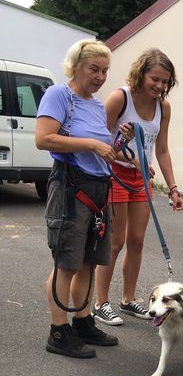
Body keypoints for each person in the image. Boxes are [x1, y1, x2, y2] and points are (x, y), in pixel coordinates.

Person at [36, 39, 121, 358]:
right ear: (76, 66)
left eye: (104, 71)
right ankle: (59, 332)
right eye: (94, 69)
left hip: (98, 188)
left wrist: (115, 141)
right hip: (71, 187)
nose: (100, 76)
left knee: (88, 260)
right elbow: (44, 139)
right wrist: (92, 145)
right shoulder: (60, 95)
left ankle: (83, 321)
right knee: (66, 262)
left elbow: (100, 144)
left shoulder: (96, 104)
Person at [93, 48, 183, 326]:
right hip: (115, 175)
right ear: (141, 73)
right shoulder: (120, 98)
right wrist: (131, 159)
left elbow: (163, 149)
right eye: (154, 79)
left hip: (140, 179)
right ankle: (100, 303)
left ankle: (128, 299)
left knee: (137, 241)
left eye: (165, 81)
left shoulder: (163, 107)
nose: (159, 86)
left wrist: (173, 187)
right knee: (115, 241)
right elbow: (99, 142)